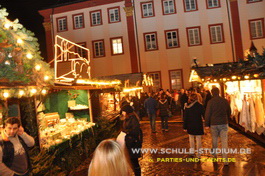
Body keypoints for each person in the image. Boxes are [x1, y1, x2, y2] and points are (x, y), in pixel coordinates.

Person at [205, 87, 231, 166]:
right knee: (224, 141)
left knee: (214, 140)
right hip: (223, 122)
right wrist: (226, 118)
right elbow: (229, 111)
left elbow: (207, 113)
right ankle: (225, 159)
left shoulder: (210, 102)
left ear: (212, 93)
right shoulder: (224, 101)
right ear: (219, 92)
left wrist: (206, 124)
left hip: (214, 123)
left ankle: (214, 155)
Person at [122, 105, 142, 176]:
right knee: (132, 160)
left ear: (127, 112)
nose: (122, 113)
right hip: (129, 142)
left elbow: (135, 131)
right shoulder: (127, 118)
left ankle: (138, 174)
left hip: (133, 143)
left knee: (134, 160)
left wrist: (126, 132)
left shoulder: (133, 119)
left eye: (123, 111)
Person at [183, 93, 204, 158]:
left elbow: (185, 117)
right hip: (198, 124)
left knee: (191, 139)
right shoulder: (200, 105)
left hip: (190, 124)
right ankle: (199, 154)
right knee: (198, 139)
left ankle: (192, 152)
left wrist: (185, 126)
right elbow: (203, 115)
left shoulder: (187, 106)